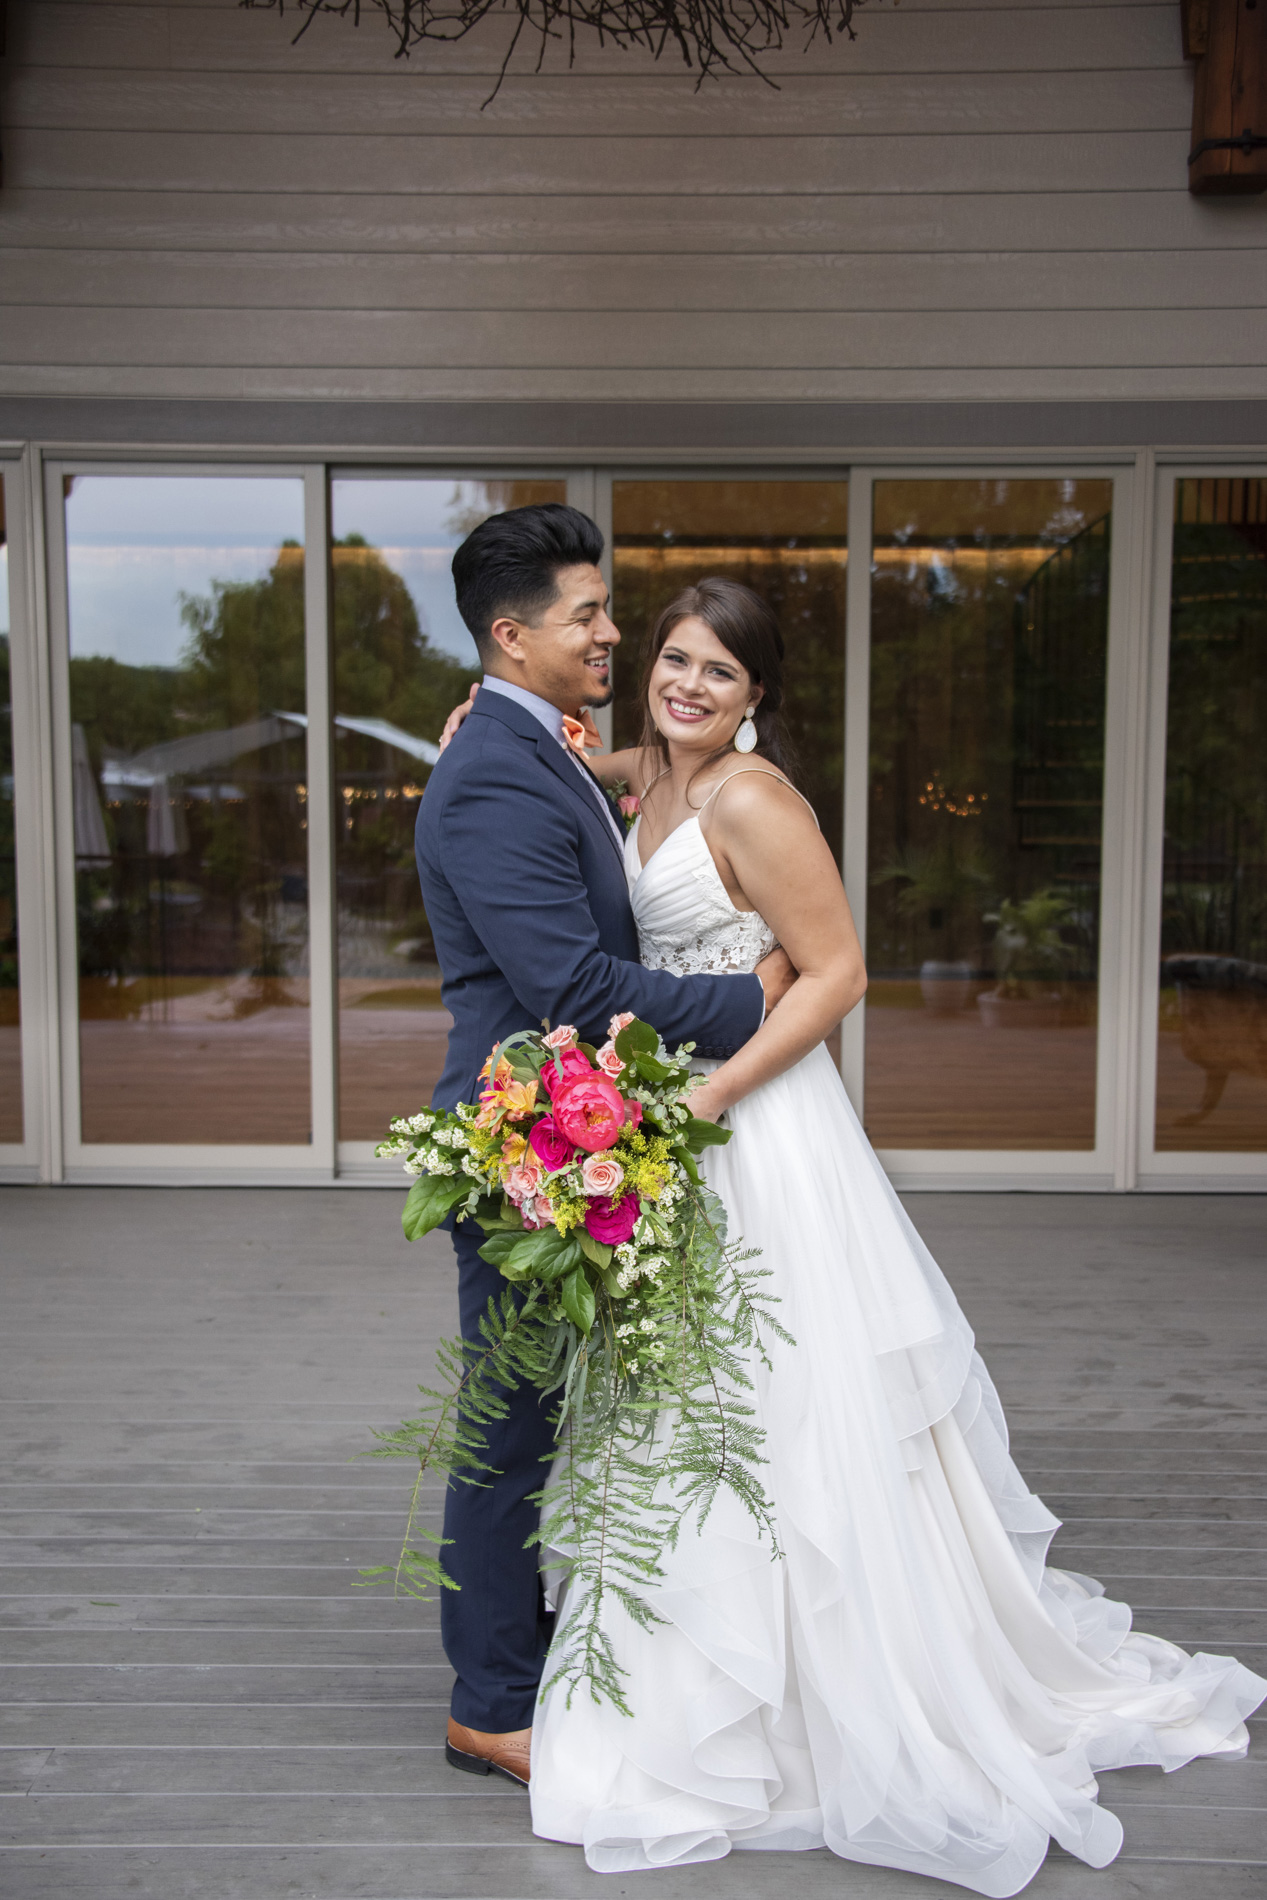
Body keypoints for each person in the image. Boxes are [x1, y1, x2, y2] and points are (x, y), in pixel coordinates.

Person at [442, 573, 1266, 1896]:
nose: (684, 683)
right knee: (674, 1395)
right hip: (664, 1130)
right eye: (669, 659)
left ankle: (814, 1672)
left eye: (717, 671)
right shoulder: (636, 771)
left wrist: (702, 1097)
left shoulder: (757, 801)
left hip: (756, 1131)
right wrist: (482, 726)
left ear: (757, 696)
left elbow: (836, 973)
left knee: (778, 1387)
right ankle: (684, 1648)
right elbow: (562, 758)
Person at [414, 507, 796, 1791]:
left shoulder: (537, 741)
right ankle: (492, 1701)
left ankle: (554, 1644)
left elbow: (633, 778)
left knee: (569, 1409)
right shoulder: (491, 770)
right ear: (511, 637)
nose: (613, 632)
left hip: (586, 1134)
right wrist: (754, 1000)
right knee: (507, 1420)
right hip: (526, 1141)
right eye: (587, 613)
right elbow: (573, 984)